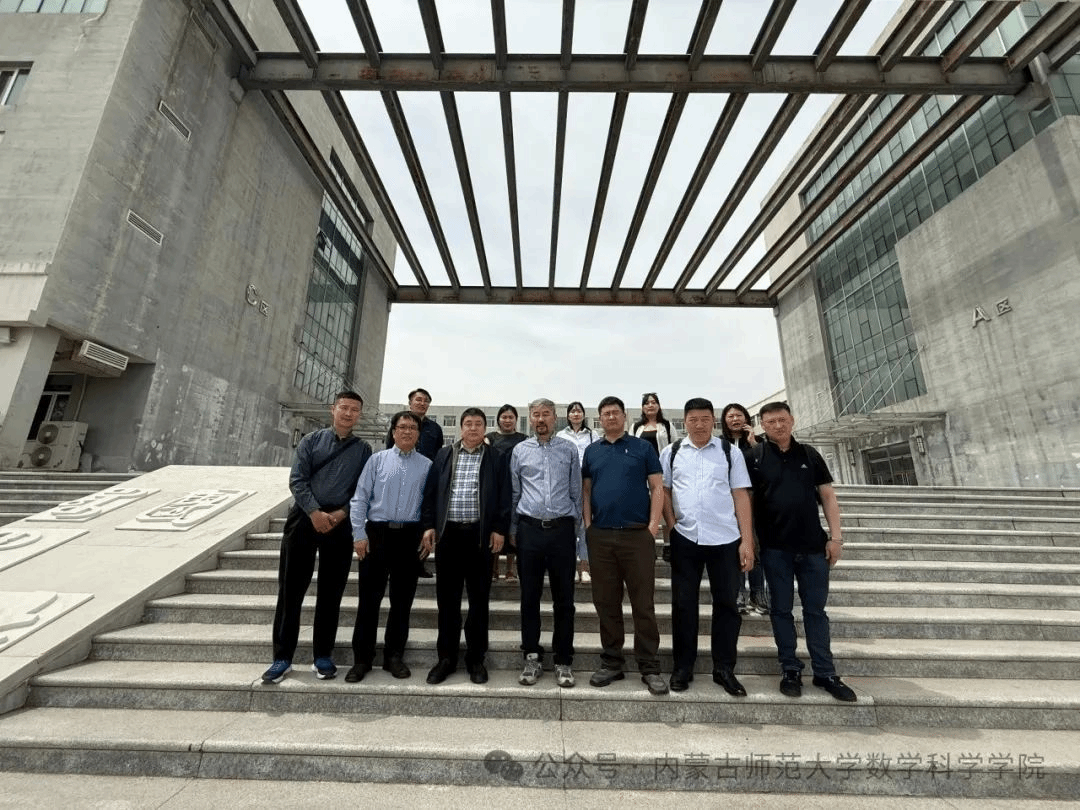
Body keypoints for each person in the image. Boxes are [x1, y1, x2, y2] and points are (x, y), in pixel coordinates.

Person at [745, 401, 857, 702]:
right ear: (762, 425)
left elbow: (828, 496)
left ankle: (825, 672)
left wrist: (836, 539)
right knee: (781, 611)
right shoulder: (754, 457)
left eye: (782, 420)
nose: (777, 426)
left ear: (792, 420)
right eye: (770, 422)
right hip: (775, 549)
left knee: (816, 611)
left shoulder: (809, 454)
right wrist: (750, 541)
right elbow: (747, 503)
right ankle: (790, 669)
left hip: (812, 548)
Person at [262, 391, 372, 684]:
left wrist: (340, 514)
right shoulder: (311, 441)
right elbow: (297, 480)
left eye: (354, 410)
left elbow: (362, 489)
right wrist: (314, 512)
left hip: (339, 523)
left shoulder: (363, 449)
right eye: (344, 408)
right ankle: (282, 657)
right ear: (332, 409)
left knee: (331, 592)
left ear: (360, 415)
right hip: (303, 519)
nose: (348, 413)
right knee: (291, 591)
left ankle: (323, 655)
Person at [661, 398, 754, 695]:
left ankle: (724, 669)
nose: (699, 425)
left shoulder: (729, 452)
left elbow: (741, 496)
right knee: (683, 605)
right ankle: (682, 667)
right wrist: (671, 526)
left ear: (713, 421)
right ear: (684, 422)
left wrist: (747, 541)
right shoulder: (672, 451)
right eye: (693, 419)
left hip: (725, 539)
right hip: (685, 537)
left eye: (705, 419)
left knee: (727, 605)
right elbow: (664, 491)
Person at [582, 395, 667, 696]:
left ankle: (649, 665)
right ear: (600, 418)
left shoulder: (643, 448)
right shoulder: (592, 451)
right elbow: (586, 492)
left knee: (643, 604)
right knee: (606, 603)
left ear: (624, 416)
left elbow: (657, 487)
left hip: (637, 537)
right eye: (605, 413)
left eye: (615, 412)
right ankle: (612, 662)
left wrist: (653, 528)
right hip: (601, 536)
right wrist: (589, 527)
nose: (611, 417)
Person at [422, 408, 511, 685]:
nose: (473, 428)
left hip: (479, 537)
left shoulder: (496, 457)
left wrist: (499, 529)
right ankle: (446, 658)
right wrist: (429, 525)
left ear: (485, 428)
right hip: (448, 536)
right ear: (461, 428)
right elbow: (431, 493)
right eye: (468, 423)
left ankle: (476, 659)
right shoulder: (444, 455)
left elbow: (505, 496)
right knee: (447, 601)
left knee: (479, 601)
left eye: (478, 424)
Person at [347, 410, 432, 683]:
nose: (407, 432)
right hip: (377, 535)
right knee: (368, 601)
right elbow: (360, 498)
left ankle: (394, 657)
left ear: (418, 434)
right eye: (402, 427)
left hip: (409, 537)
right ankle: (362, 659)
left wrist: (428, 532)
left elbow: (430, 504)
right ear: (393, 432)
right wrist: (358, 533)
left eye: (412, 428)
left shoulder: (427, 465)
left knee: (402, 602)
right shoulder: (377, 460)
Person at [509, 397, 583, 689]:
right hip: (529, 531)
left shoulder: (569, 449)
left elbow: (576, 493)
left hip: (562, 531)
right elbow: (515, 492)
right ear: (530, 418)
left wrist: (577, 533)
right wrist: (513, 529)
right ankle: (532, 656)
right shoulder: (520, 450)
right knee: (530, 598)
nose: (541, 419)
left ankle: (563, 660)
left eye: (546, 414)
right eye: (536, 415)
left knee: (565, 600)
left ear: (555, 418)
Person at [385, 388, 442, 579]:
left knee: (423, 520)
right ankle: (392, 563)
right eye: (418, 400)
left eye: (426, 401)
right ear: (410, 403)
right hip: (401, 477)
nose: (422, 403)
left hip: (426, 478)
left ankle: (419, 563)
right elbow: (389, 449)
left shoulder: (435, 429)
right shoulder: (398, 423)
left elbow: (438, 455)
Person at [720, 402, 769, 616]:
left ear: (747, 418)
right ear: (724, 420)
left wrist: (754, 443)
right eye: (730, 416)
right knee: (734, 546)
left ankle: (757, 593)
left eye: (739, 415)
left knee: (754, 544)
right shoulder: (719, 444)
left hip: (754, 498)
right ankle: (738, 592)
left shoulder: (759, 442)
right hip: (728, 499)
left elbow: (767, 467)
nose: (735, 419)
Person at [557, 401, 598, 583]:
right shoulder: (560, 435)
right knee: (570, 525)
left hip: (588, 483)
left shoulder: (592, 435)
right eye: (572, 411)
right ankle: (571, 567)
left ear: (583, 415)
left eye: (579, 411)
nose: (575, 414)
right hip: (566, 485)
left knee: (585, 525)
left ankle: (585, 567)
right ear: (568, 415)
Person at [485, 404, 527, 581]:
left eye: (511, 417)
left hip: (517, 487)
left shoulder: (523, 439)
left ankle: (510, 569)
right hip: (496, 487)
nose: (507, 420)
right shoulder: (489, 438)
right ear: (498, 419)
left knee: (513, 527)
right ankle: (494, 568)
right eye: (504, 417)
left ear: (516, 420)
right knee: (495, 526)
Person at [631, 392, 677, 456]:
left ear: (659, 406)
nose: (650, 405)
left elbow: (675, 446)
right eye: (647, 403)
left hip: (662, 461)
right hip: (641, 462)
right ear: (642, 408)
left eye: (653, 402)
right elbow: (631, 448)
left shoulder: (667, 425)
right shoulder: (635, 427)